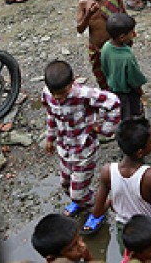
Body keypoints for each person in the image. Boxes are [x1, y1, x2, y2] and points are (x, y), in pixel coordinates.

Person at [88, 118, 151, 257]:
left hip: (126, 234)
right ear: (140, 152)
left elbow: (97, 212)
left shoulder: (107, 171)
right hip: (150, 234)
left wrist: (112, 202)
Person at [41, 59, 121, 232]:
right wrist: (50, 137)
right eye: (55, 94)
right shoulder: (47, 94)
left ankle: (100, 209)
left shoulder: (83, 94)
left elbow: (113, 102)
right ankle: (81, 201)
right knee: (65, 183)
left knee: (77, 192)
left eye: (62, 93)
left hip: (85, 150)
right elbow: (50, 115)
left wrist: (105, 129)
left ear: (72, 82)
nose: (58, 98)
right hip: (65, 148)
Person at [76, 0, 127, 90]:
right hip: (96, 48)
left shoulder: (115, 0)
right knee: (101, 76)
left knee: (121, 73)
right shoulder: (83, 4)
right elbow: (80, 29)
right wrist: (88, 15)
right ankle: (107, 97)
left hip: (115, 46)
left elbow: (125, 20)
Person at [100, 13, 148, 121]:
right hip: (126, 92)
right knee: (132, 112)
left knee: (120, 111)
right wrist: (140, 91)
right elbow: (133, 79)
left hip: (112, 87)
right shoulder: (127, 57)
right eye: (131, 32)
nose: (134, 34)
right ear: (122, 37)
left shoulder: (106, 47)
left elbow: (104, 67)